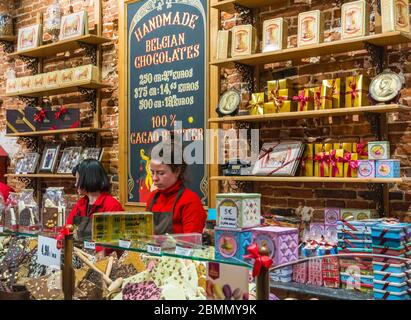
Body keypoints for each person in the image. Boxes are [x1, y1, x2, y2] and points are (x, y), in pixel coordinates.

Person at [146, 143, 207, 235]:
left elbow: (192, 243)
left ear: (177, 171)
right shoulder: (152, 198)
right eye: (152, 172)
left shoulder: (190, 201)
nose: (154, 178)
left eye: (160, 173)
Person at [64, 159, 124, 241]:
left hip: (100, 253)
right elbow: (68, 228)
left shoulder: (112, 206)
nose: (75, 184)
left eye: (78, 179)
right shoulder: (81, 203)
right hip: (80, 252)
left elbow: (115, 240)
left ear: (88, 179)